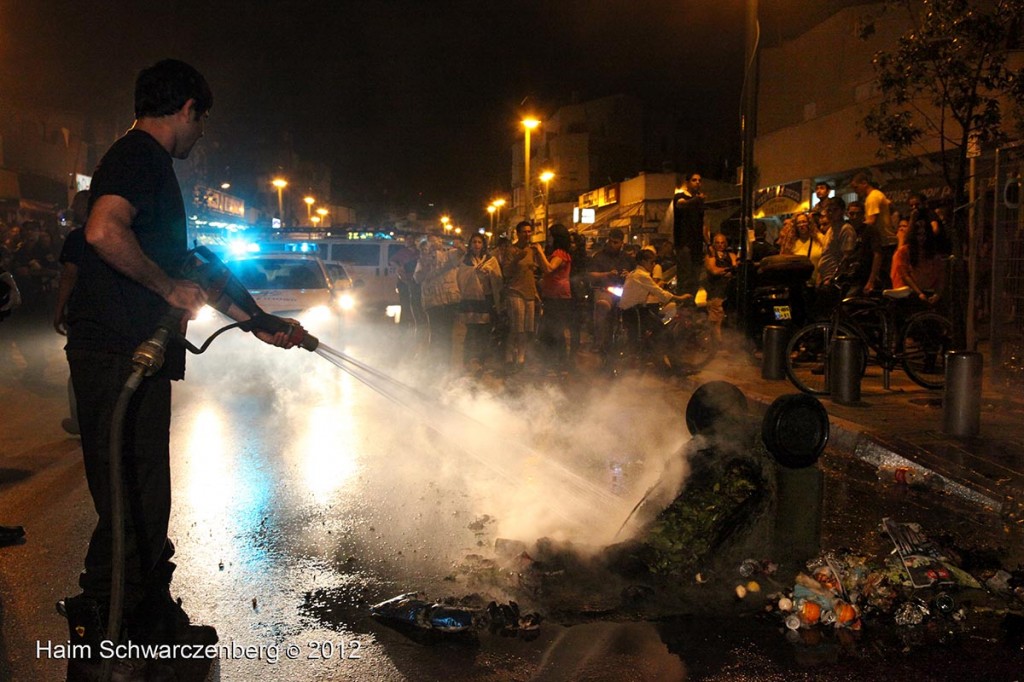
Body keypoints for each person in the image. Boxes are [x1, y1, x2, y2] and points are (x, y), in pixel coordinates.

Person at [62, 59, 297, 681]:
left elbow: (193, 263)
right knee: (132, 503)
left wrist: (259, 320)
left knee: (140, 502)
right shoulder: (139, 156)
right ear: (188, 108)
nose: (202, 136)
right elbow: (103, 231)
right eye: (203, 122)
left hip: (126, 355)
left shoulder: (149, 166)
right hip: (117, 355)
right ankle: (107, 639)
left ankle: (143, 626)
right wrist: (166, 289)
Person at [54, 190, 90, 435]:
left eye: (76, 204)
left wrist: (58, 310)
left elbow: (69, 275)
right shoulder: (119, 235)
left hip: (82, 315)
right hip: (111, 317)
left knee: (79, 371)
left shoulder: (78, 238)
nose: (73, 209)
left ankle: (80, 421)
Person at [619, 246, 691, 350]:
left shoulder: (634, 273)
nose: (653, 265)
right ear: (644, 261)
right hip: (635, 312)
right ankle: (666, 359)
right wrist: (680, 298)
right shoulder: (641, 275)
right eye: (651, 262)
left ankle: (650, 355)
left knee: (648, 334)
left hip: (633, 311)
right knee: (662, 332)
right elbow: (659, 292)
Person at [414, 235, 464, 369]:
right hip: (433, 301)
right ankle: (435, 364)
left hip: (449, 300)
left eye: (436, 241)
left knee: (448, 333)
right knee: (436, 333)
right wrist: (426, 263)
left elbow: (462, 252)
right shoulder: (423, 260)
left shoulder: (449, 255)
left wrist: (456, 243)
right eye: (430, 243)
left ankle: (445, 365)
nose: (434, 244)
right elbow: (418, 278)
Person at [455, 233, 502, 372]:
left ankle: (482, 360)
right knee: (471, 331)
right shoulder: (466, 260)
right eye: (474, 242)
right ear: (470, 245)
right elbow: (460, 278)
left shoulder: (490, 260)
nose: (476, 245)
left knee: (484, 331)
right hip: (470, 300)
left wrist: (489, 273)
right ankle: (468, 359)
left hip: (486, 299)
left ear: (483, 245)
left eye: (479, 242)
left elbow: (498, 279)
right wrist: (473, 273)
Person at [500, 221, 541, 370]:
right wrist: (517, 259)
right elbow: (506, 272)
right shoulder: (511, 250)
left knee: (526, 328)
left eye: (529, 231)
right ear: (517, 233)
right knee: (516, 327)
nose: (527, 234)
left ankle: (522, 356)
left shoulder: (533, 250)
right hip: (515, 291)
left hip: (529, 292)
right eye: (524, 232)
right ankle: (509, 355)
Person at [586, 228, 633, 353]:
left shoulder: (627, 258)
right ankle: (599, 340)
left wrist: (629, 274)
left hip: (624, 291)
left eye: (616, 242)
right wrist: (606, 274)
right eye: (611, 242)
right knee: (602, 305)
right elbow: (591, 274)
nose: (613, 245)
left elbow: (636, 273)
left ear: (622, 243)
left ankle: (635, 342)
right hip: (605, 290)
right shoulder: (599, 256)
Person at [534, 223, 573, 370]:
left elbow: (549, 268)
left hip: (558, 295)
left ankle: (557, 361)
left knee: (554, 328)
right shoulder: (560, 253)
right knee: (553, 327)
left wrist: (539, 251)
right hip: (554, 294)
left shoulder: (559, 254)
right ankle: (557, 361)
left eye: (550, 235)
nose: (548, 238)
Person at [851, 171, 895, 292]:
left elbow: (871, 220)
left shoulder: (872, 198)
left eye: (856, 187)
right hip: (887, 240)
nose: (855, 191)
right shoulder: (879, 194)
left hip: (883, 242)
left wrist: (856, 229)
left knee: (882, 276)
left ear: (864, 183)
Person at [891, 219, 945, 304]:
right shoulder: (904, 252)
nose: (922, 238)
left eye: (924, 235)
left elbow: (940, 275)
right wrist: (919, 293)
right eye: (919, 235)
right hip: (908, 293)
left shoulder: (933, 254)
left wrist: (937, 294)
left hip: (928, 292)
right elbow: (905, 276)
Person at [672, 173, 707, 292]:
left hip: (697, 244)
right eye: (694, 180)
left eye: (699, 180)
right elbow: (681, 204)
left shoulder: (699, 200)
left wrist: (708, 243)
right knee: (685, 275)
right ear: (687, 182)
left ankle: (691, 302)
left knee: (695, 276)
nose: (697, 182)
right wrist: (697, 200)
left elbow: (702, 224)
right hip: (684, 242)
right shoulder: (680, 196)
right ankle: (683, 302)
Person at [704, 233, 739, 342]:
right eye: (717, 243)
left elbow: (736, 267)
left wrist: (726, 270)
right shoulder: (710, 256)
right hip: (716, 292)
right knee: (716, 320)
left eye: (722, 242)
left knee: (727, 319)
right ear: (714, 244)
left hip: (729, 292)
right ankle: (718, 344)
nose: (720, 245)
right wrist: (728, 270)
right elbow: (713, 270)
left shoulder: (731, 255)